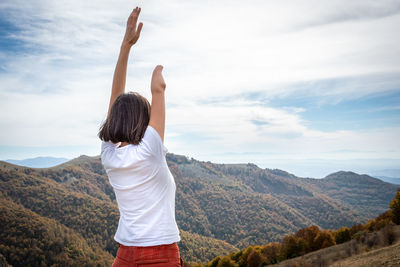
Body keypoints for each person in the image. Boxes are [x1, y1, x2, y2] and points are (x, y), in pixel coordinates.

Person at [98, 7, 182, 267]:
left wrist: (126, 46)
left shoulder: (109, 155)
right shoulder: (149, 150)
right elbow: (127, 103)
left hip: (124, 257)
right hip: (160, 256)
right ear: (143, 120)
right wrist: (159, 90)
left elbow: (115, 100)